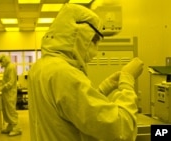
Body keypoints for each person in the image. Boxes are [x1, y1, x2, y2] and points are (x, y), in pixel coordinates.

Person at [28, 3, 143, 141]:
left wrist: (104, 87)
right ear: (79, 34)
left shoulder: (40, 67)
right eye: (93, 42)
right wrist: (127, 83)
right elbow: (119, 128)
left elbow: (72, 110)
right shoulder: (64, 73)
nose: (96, 51)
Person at [0, 54, 22, 136]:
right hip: (6, 93)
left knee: (11, 110)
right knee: (6, 110)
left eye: (1, 62)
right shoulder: (7, 67)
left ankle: (17, 128)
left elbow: (11, 82)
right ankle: (10, 126)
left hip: (10, 93)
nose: (0, 64)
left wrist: (1, 88)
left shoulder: (11, 67)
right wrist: (0, 88)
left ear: (5, 60)